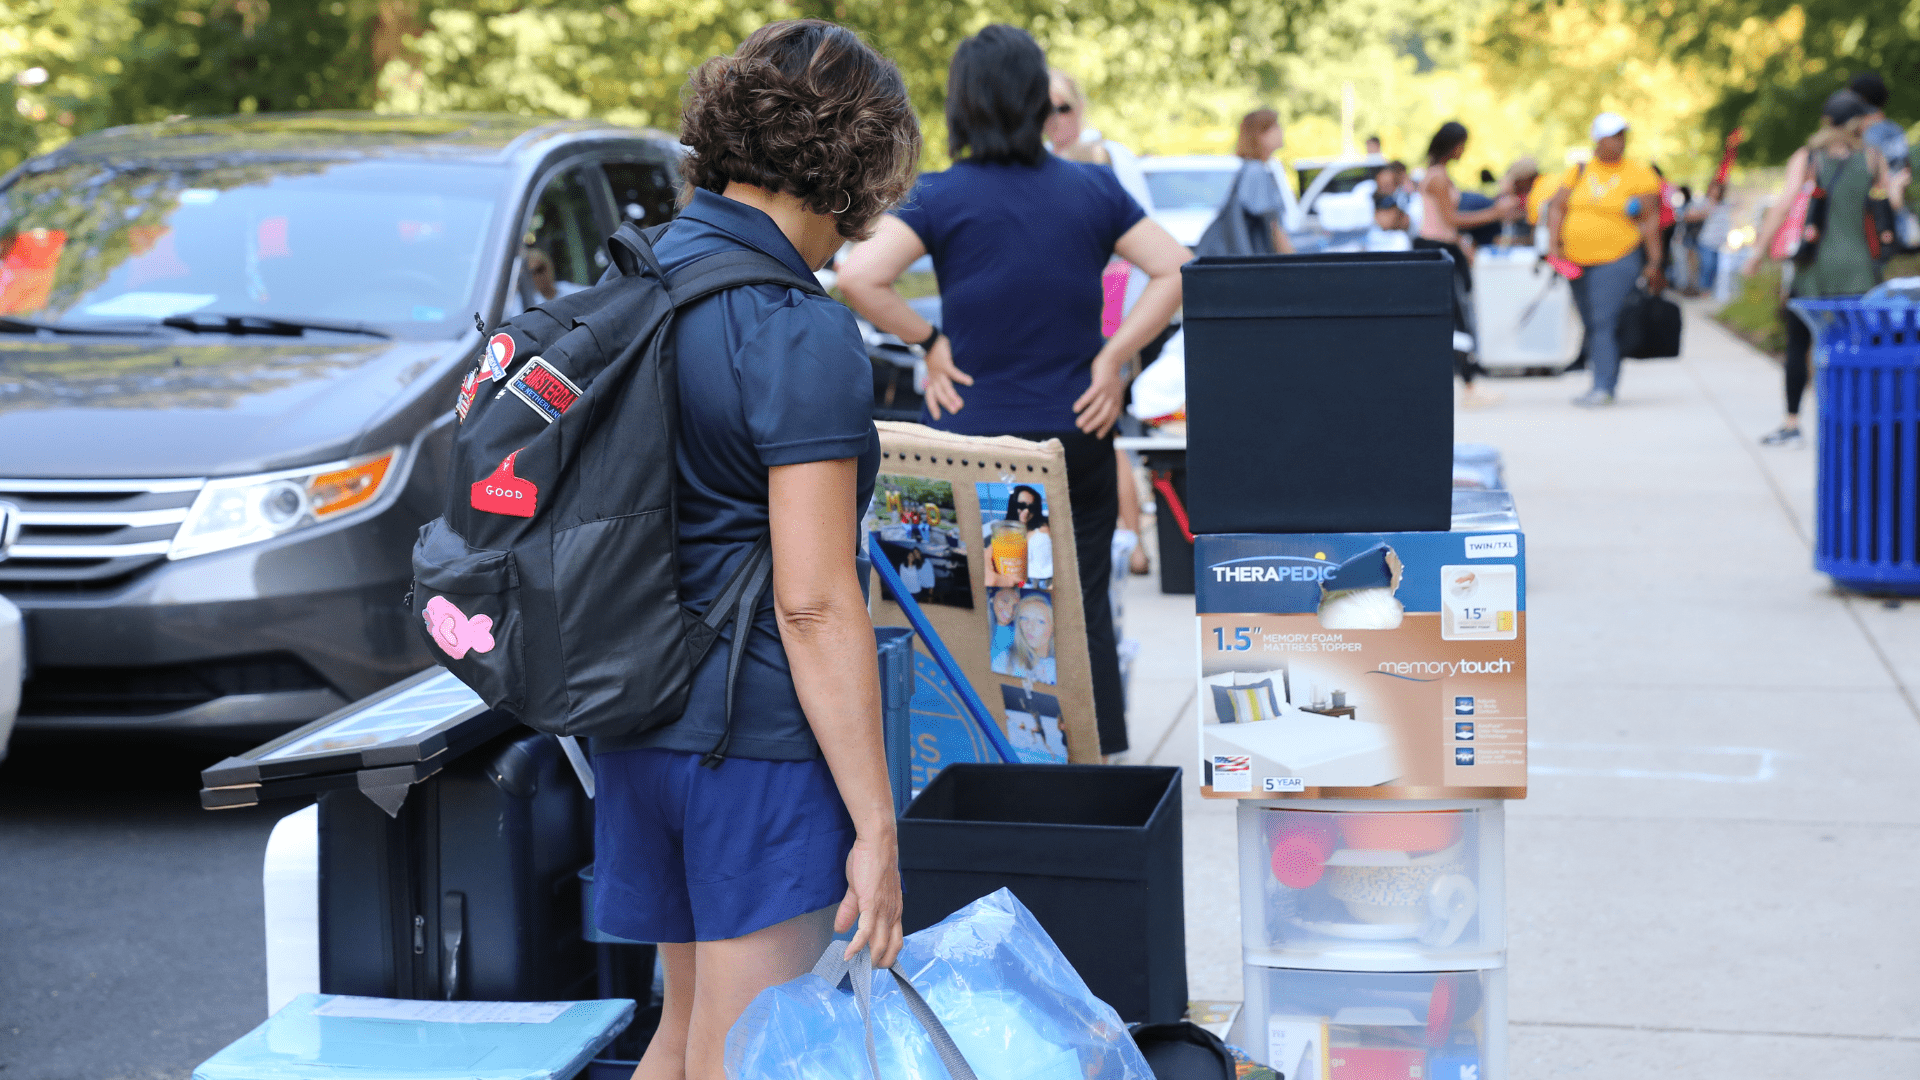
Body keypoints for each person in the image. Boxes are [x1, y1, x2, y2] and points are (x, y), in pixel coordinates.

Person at [588, 21, 919, 1080]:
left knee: (682, 1037)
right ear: (852, 165)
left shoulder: (636, 284)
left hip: (636, 719)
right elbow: (814, 602)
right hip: (757, 741)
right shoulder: (794, 327)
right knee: (750, 1057)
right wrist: (876, 822)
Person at [838, 24, 1189, 757]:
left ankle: (984, 756)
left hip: (975, 442)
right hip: (1077, 434)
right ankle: (1094, 762)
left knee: (971, 609)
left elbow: (857, 277)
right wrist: (1114, 359)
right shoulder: (1091, 189)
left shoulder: (939, 196)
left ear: (962, 105)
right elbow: (1177, 269)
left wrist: (930, 345)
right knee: (1079, 607)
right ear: (1038, 102)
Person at [1750, 89, 1894, 447]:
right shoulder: (1874, 159)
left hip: (1812, 270)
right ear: (1858, 123)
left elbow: (1784, 205)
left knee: (1798, 345)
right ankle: (1858, 423)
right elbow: (1888, 208)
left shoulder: (1808, 157)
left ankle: (1792, 423)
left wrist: (1758, 251)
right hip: (1859, 270)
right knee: (1858, 348)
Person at [1545, 112, 1666, 407]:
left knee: (1602, 320)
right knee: (1590, 320)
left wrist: (1654, 262)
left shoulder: (1640, 174)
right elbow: (1557, 208)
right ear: (1597, 139)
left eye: (1622, 135)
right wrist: (1554, 245)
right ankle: (1604, 376)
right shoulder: (1579, 170)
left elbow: (1651, 220)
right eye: (1612, 136)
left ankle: (1603, 386)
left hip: (1617, 258)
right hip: (1575, 260)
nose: (1619, 141)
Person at [1415, 121, 1519, 407]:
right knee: (1457, 319)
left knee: (1456, 318)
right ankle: (1470, 387)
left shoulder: (1439, 175)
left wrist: (1463, 244)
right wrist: (1494, 212)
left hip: (1446, 246)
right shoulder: (1437, 177)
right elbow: (1451, 220)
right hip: (1437, 248)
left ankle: (1469, 383)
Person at [1849, 72, 1910, 211]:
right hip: (1897, 204)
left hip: (1871, 209)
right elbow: (1905, 169)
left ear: (1859, 98)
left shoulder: (1860, 133)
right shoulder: (1896, 130)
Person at [992, 591, 1058, 682]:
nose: (1030, 627)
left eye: (1040, 621)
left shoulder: (1062, 665)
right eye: (1024, 618)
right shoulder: (1004, 660)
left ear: (1053, 626)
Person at [1683, 180, 1731, 295]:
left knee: (1714, 267)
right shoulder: (1703, 202)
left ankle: (1709, 289)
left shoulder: (1724, 204)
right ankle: (1703, 289)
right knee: (1707, 264)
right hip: (1705, 240)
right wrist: (1704, 213)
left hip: (1718, 242)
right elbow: (1688, 216)